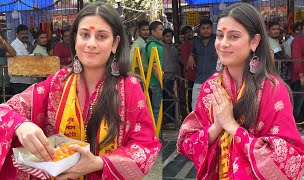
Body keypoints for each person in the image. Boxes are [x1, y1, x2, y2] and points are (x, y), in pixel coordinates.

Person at [0, 3, 161, 180]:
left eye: (101, 36)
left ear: (115, 43)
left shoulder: (129, 87)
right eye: (85, 35)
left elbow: (146, 148)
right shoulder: (57, 83)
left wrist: (99, 163)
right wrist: (21, 126)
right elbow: (5, 111)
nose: (91, 44)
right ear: (75, 39)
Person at [177, 3, 304, 179]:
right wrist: (216, 127)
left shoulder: (273, 90)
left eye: (233, 36)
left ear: (254, 41)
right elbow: (186, 143)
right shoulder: (210, 88)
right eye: (220, 36)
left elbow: (290, 162)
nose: (223, 44)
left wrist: (232, 126)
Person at [188, 19, 217, 110]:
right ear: (199, 30)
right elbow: (193, 52)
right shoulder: (197, 41)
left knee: (213, 107)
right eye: (203, 28)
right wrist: (191, 56)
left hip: (214, 80)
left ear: (212, 29)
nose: (206, 30)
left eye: (208, 28)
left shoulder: (218, 40)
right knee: (195, 106)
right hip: (199, 79)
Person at [146, 21, 163, 124]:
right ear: (153, 31)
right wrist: (161, 81)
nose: (162, 31)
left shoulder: (158, 44)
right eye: (160, 29)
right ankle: (158, 137)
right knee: (157, 111)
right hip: (156, 82)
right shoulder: (152, 45)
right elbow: (155, 66)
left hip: (159, 81)